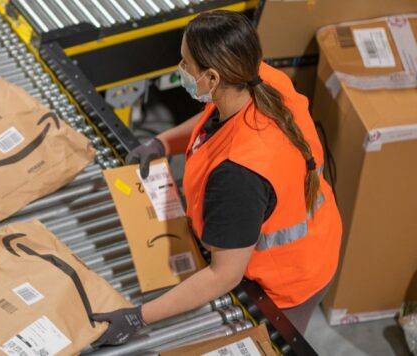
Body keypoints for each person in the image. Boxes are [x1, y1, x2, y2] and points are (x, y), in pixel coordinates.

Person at [92, 10, 342, 346]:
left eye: (185, 63)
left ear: (211, 78)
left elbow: (223, 275)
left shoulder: (240, 175)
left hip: (289, 282)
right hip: (315, 233)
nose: (180, 69)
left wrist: (139, 316)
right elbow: (213, 119)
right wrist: (162, 143)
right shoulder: (258, 80)